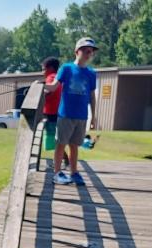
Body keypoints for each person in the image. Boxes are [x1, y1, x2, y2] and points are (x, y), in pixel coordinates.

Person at [44, 37, 99, 186]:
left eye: (91, 52)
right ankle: (57, 173)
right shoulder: (66, 68)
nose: (89, 54)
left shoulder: (92, 73)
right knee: (61, 144)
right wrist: (42, 85)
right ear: (77, 51)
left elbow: (92, 96)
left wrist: (93, 116)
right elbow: (54, 86)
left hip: (82, 116)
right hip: (65, 114)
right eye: (86, 51)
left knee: (75, 145)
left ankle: (74, 172)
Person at [41, 56, 69, 167]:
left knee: (53, 139)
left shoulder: (51, 77)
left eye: (43, 69)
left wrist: (41, 92)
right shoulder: (57, 77)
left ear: (51, 68)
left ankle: (63, 160)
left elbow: (48, 92)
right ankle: (62, 160)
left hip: (51, 114)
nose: (42, 72)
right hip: (57, 113)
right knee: (54, 138)